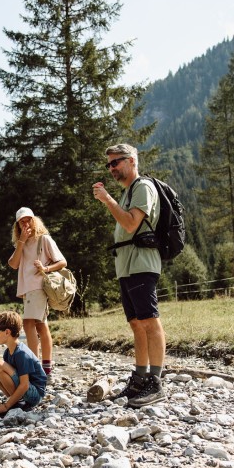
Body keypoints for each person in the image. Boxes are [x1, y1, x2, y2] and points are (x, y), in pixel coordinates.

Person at [91, 143, 167, 407]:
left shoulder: (143, 187)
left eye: (116, 162)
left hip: (142, 262)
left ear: (132, 161)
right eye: (109, 164)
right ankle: (139, 378)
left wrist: (107, 200)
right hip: (126, 264)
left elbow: (132, 223)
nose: (112, 168)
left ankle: (155, 383)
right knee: (136, 323)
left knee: (149, 321)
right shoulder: (127, 192)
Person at [7, 207, 67, 376]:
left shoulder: (44, 239)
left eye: (28, 220)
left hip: (38, 287)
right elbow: (13, 264)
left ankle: (35, 368)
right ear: (18, 225)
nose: (26, 223)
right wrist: (21, 241)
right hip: (28, 289)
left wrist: (45, 268)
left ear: (34, 220)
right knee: (41, 326)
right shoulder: (22, 243)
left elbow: (62, 262)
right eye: (22, 221)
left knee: (28, 324)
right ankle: (46, 369)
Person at [0, 310, 47, 416]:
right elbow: (4, 376)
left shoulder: (21, 353)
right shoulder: (8, 352)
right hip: (26, 390)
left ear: (7, 332)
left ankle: (17, 403)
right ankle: (15, 401)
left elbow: (24, 385)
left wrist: (6, 406)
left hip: (35, 394)